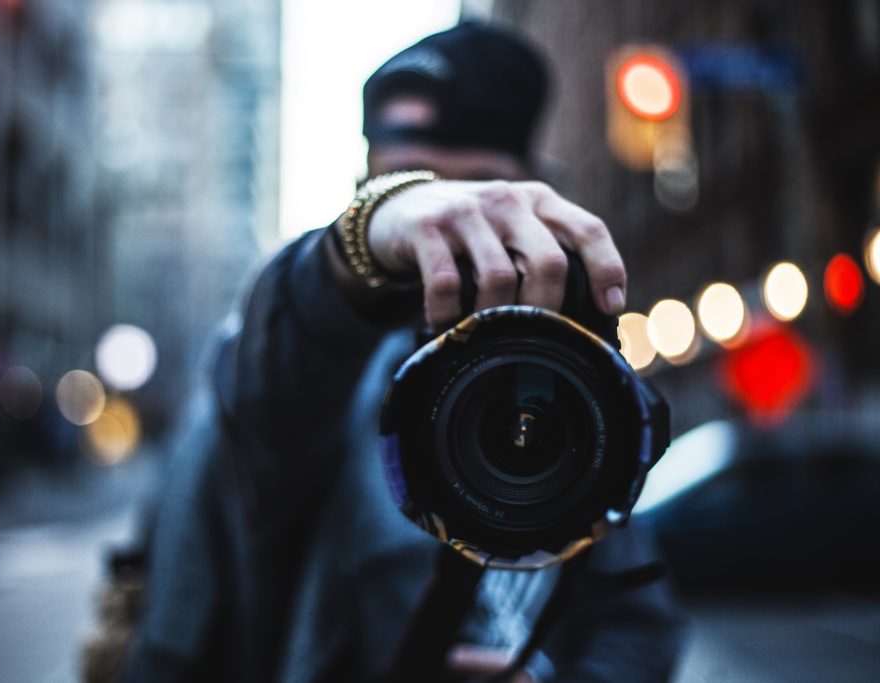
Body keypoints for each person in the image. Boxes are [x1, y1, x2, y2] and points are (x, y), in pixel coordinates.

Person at [123, 21, 682, 683]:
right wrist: (361, 245)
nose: (445, 231)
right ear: (365, 194)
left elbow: (634, 619)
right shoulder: (305, 379)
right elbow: (283, 350)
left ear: (534, 190)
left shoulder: (571, 384)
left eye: (479, 194)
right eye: (412, 195)